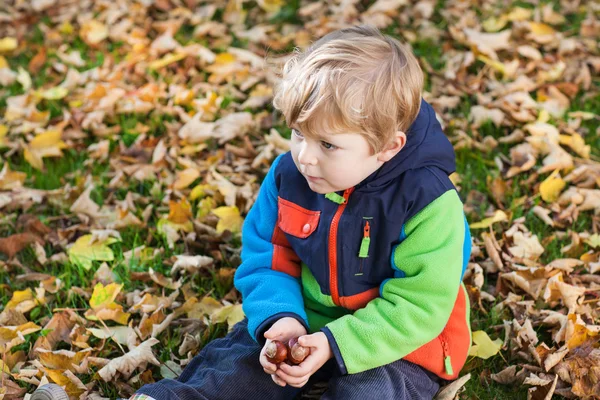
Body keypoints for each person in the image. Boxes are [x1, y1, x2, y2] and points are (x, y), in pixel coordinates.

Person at [130, 24, 472, 400]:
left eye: (327, 144)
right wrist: (282, 319)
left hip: (394, 343)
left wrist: (336, 343)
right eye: (298, 134)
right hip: (304, 320)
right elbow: (268, 258)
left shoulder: (427, 203)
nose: (305, 157)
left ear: (388, 147)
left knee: (373, 391)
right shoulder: (289, 178)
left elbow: (419, 304)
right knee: (239, 371)